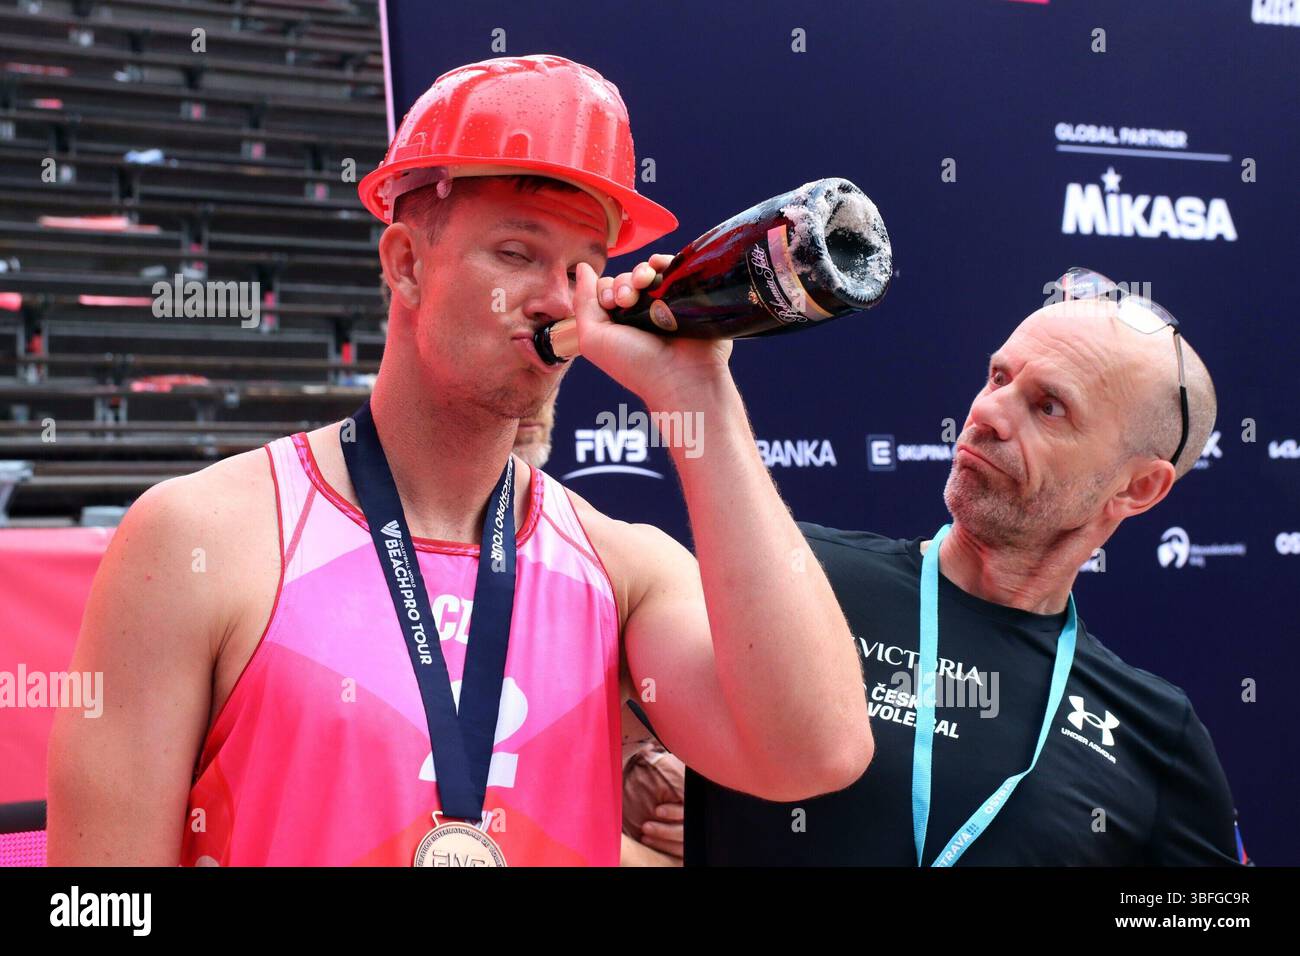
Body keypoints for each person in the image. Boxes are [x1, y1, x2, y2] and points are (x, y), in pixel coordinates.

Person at [46, 53, 871, 866]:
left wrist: (702, 405)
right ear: (406, 264)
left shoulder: (622, 569)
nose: (559, 295)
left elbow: (816, 753)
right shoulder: (202, 539)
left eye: (586, 267)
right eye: (516, 253)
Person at [686, 270, 1246, 866]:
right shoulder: (794, 572)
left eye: (1049, 406)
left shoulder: (1153, 731)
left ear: (1137, 487)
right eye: (999, 377)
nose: (988, 413)